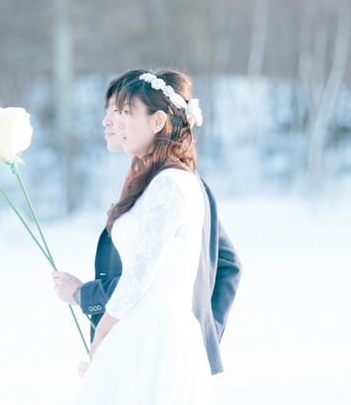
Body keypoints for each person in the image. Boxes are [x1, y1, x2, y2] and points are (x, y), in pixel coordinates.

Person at [51, 69, 242, 403]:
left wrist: (95, 326)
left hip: (156, 337)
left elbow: (139, 281)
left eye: (124, 112)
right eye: (111, 111)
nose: (112, 121)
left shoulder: (173, 184)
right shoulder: (153, 184)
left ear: (157, 122)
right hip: (136, 333)